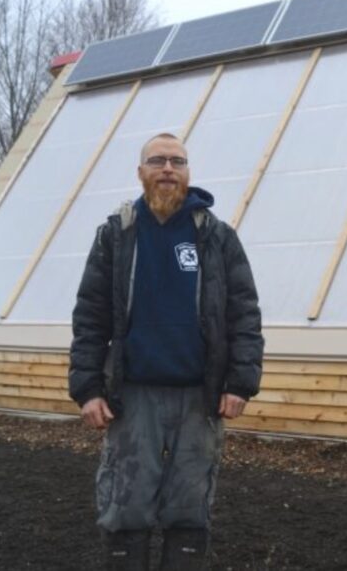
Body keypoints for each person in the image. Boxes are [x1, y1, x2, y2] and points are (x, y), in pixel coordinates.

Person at [69, 132, 264, 570]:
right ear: (141, 173)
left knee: (189, 499)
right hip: (132, 392)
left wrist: (240, 382)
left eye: (177, 161)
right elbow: (90, 316)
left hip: (201, 393)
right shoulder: (116, 236)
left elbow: (244, 314)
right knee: (127, 496)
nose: (168, 169)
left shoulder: (216, 237)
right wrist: (88, 388)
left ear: (188, 172)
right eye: (157, 161)